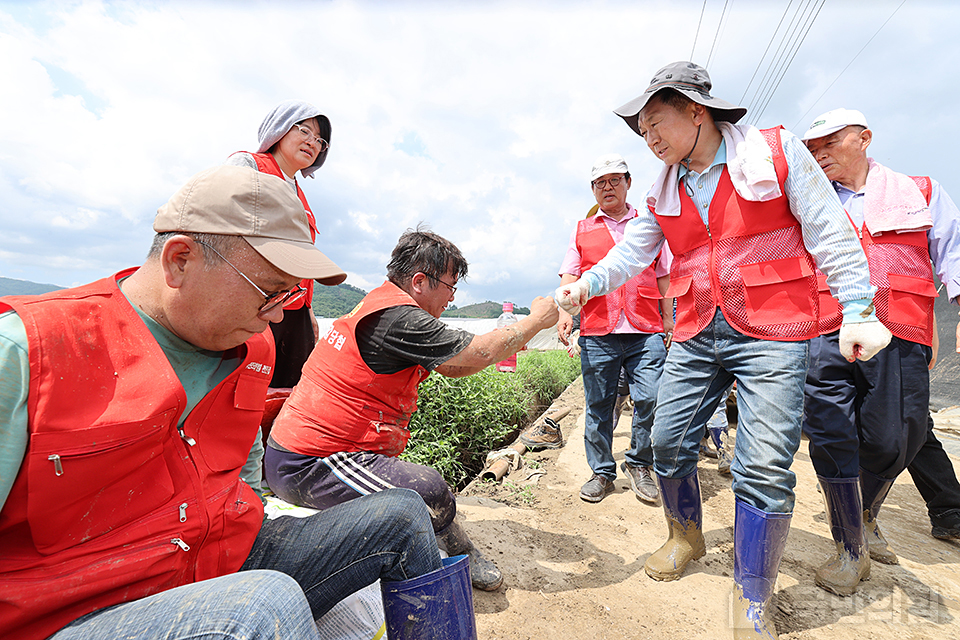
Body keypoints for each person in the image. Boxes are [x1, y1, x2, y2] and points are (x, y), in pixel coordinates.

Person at [0, 166, 459, 640]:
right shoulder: (29, 351)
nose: (279, 314)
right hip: (85, 609)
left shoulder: (253, 347)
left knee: (402, 513)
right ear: (180, 260)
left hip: (221, 555)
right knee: (258, 608)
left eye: (290, 294)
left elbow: (244, 470)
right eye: (269, 291)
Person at [555, 61, 888, 640]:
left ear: (695, 110)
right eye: (642, 131)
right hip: (695, 328)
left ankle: (751, 592)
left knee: (763, 463)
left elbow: (829, 229)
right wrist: (585, 285)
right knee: (665, 438)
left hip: (772, 330)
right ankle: (685, 535)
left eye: (656, 122)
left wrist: (859, 307)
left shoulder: (775, 154)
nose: (650, 138)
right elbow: (632, 255)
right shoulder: (665, 188)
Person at [264, 226, 559, 592]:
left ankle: (451, 544)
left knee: (421, 491)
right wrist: (537, 320)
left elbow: (454, 366)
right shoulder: (399, 318)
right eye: (450, 287)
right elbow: (480, 352)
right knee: (428, 490)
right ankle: (458, 556)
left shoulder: (384, 305)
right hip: (311, 463)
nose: (451, 299)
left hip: (317, 452)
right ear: (420, 281)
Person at [800, 108, 960, 596]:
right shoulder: (808, 203)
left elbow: (952, 253)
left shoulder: (920, 192)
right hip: (827, 327)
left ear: (864, 138)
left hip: (900, 329)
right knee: (829, 433)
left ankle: (864, 512)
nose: (820, 154)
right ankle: (850, 546)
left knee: (898, 437)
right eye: (812, 148)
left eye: (831, 143)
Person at [555, 153, 671, 504]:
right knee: (599, 405)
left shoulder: (649, 225)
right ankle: (602, 472)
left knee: (651, 398)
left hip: (645, 326)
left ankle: (639, 464)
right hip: (598, 329)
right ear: (593, 190)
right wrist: (565, 316)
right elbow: (570, 276)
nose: (608, 188)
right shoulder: (583, 230)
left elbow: (664, 274)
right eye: (600, 183)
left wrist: (669, 319)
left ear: (628, 183)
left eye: (614, 180)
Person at [226, 100, 346, 390]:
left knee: (287, 394)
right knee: (239, 387)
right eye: (304, 131)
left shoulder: (301, 196)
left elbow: (304, 262)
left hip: (293, 311)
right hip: (251, 302)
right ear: (279, 130)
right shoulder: (248, 165)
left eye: (320, 141)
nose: (312, 143)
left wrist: (308, 312)